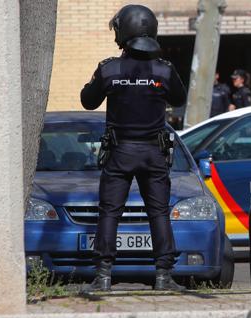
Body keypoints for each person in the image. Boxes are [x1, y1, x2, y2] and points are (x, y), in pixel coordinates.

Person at [80, 4, 187, 292]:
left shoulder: (109, 69)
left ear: (124, 32)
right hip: (154, 153)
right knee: (159, 213)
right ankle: (164, 277)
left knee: (110, 213)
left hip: (120, 152)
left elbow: (87, 101)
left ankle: (102, 278)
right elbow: (179, 98)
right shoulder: (164, 70)